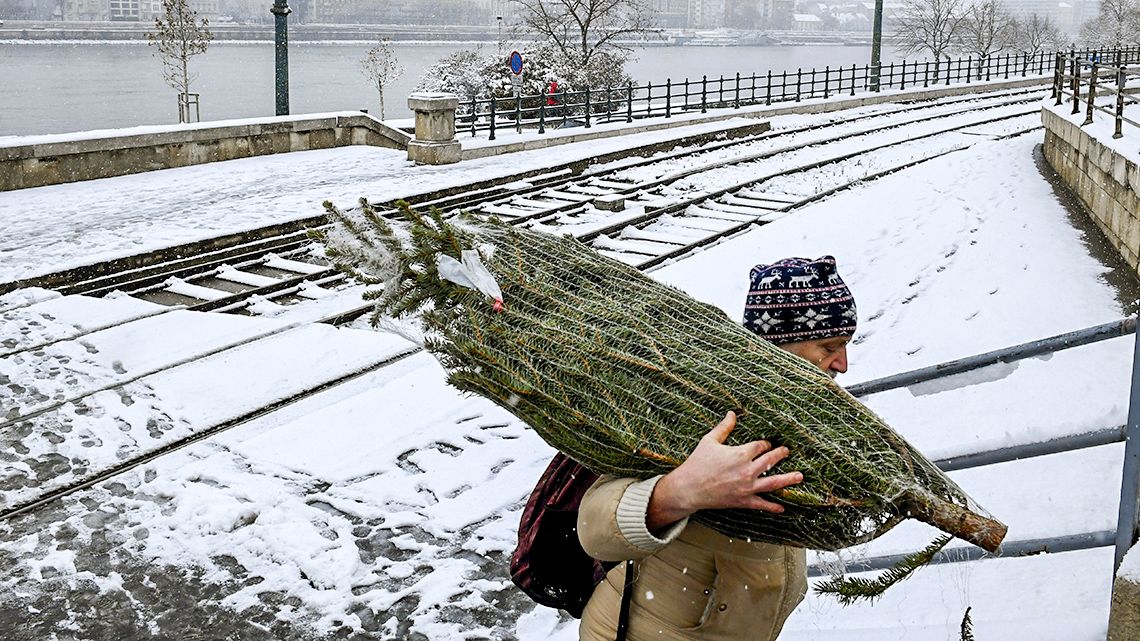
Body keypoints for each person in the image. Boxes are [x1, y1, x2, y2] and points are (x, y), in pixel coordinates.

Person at [576, 256, 856, 641]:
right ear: (779, 344)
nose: (842, 364)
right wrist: (681, 491)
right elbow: (593, 528)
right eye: (829, 346)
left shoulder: (803, 414)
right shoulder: (702, 408)